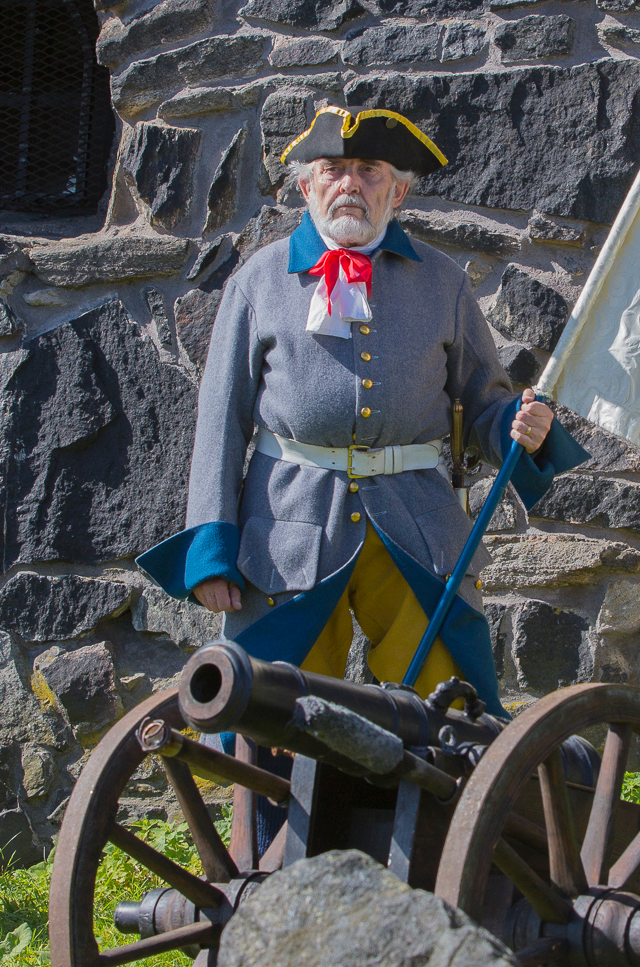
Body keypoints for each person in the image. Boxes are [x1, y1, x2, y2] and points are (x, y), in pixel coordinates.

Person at [138, 100, 585, 714]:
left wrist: (518, 427)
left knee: (443, 709)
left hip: (417, 527)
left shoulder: (443, 283)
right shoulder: (258, 282)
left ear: (398, 192)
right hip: (287, 531)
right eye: (332, 169)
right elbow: (220, 424)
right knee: (274, 714)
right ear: (306, 187)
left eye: (369, 170)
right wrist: (212, 549)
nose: (349, 184)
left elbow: (483, 406)